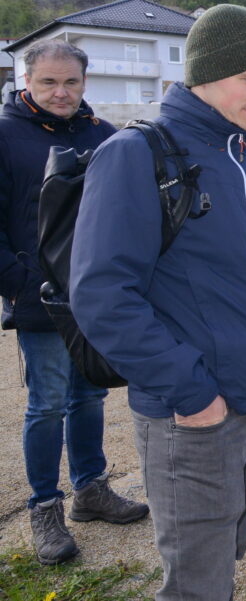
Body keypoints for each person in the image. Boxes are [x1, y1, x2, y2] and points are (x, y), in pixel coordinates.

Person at [70, 4, 246, 600]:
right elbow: (101, 295)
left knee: (222, 561)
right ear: (205, 73)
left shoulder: (238, 150)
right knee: (197, 584)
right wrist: (193, 394)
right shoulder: (137, 153)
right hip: (195, 416)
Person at [0, 40, 147, 566]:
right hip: (37, 294)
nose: (61, 92)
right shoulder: (4, 135)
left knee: (89, 396)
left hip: (94, 292)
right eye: (49, 82)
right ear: (27, 82)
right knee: (46, 404)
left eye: (71, 82)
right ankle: (45, 507)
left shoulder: (102, 133)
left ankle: (90, 490)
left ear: (84, 83)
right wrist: (17, 283)